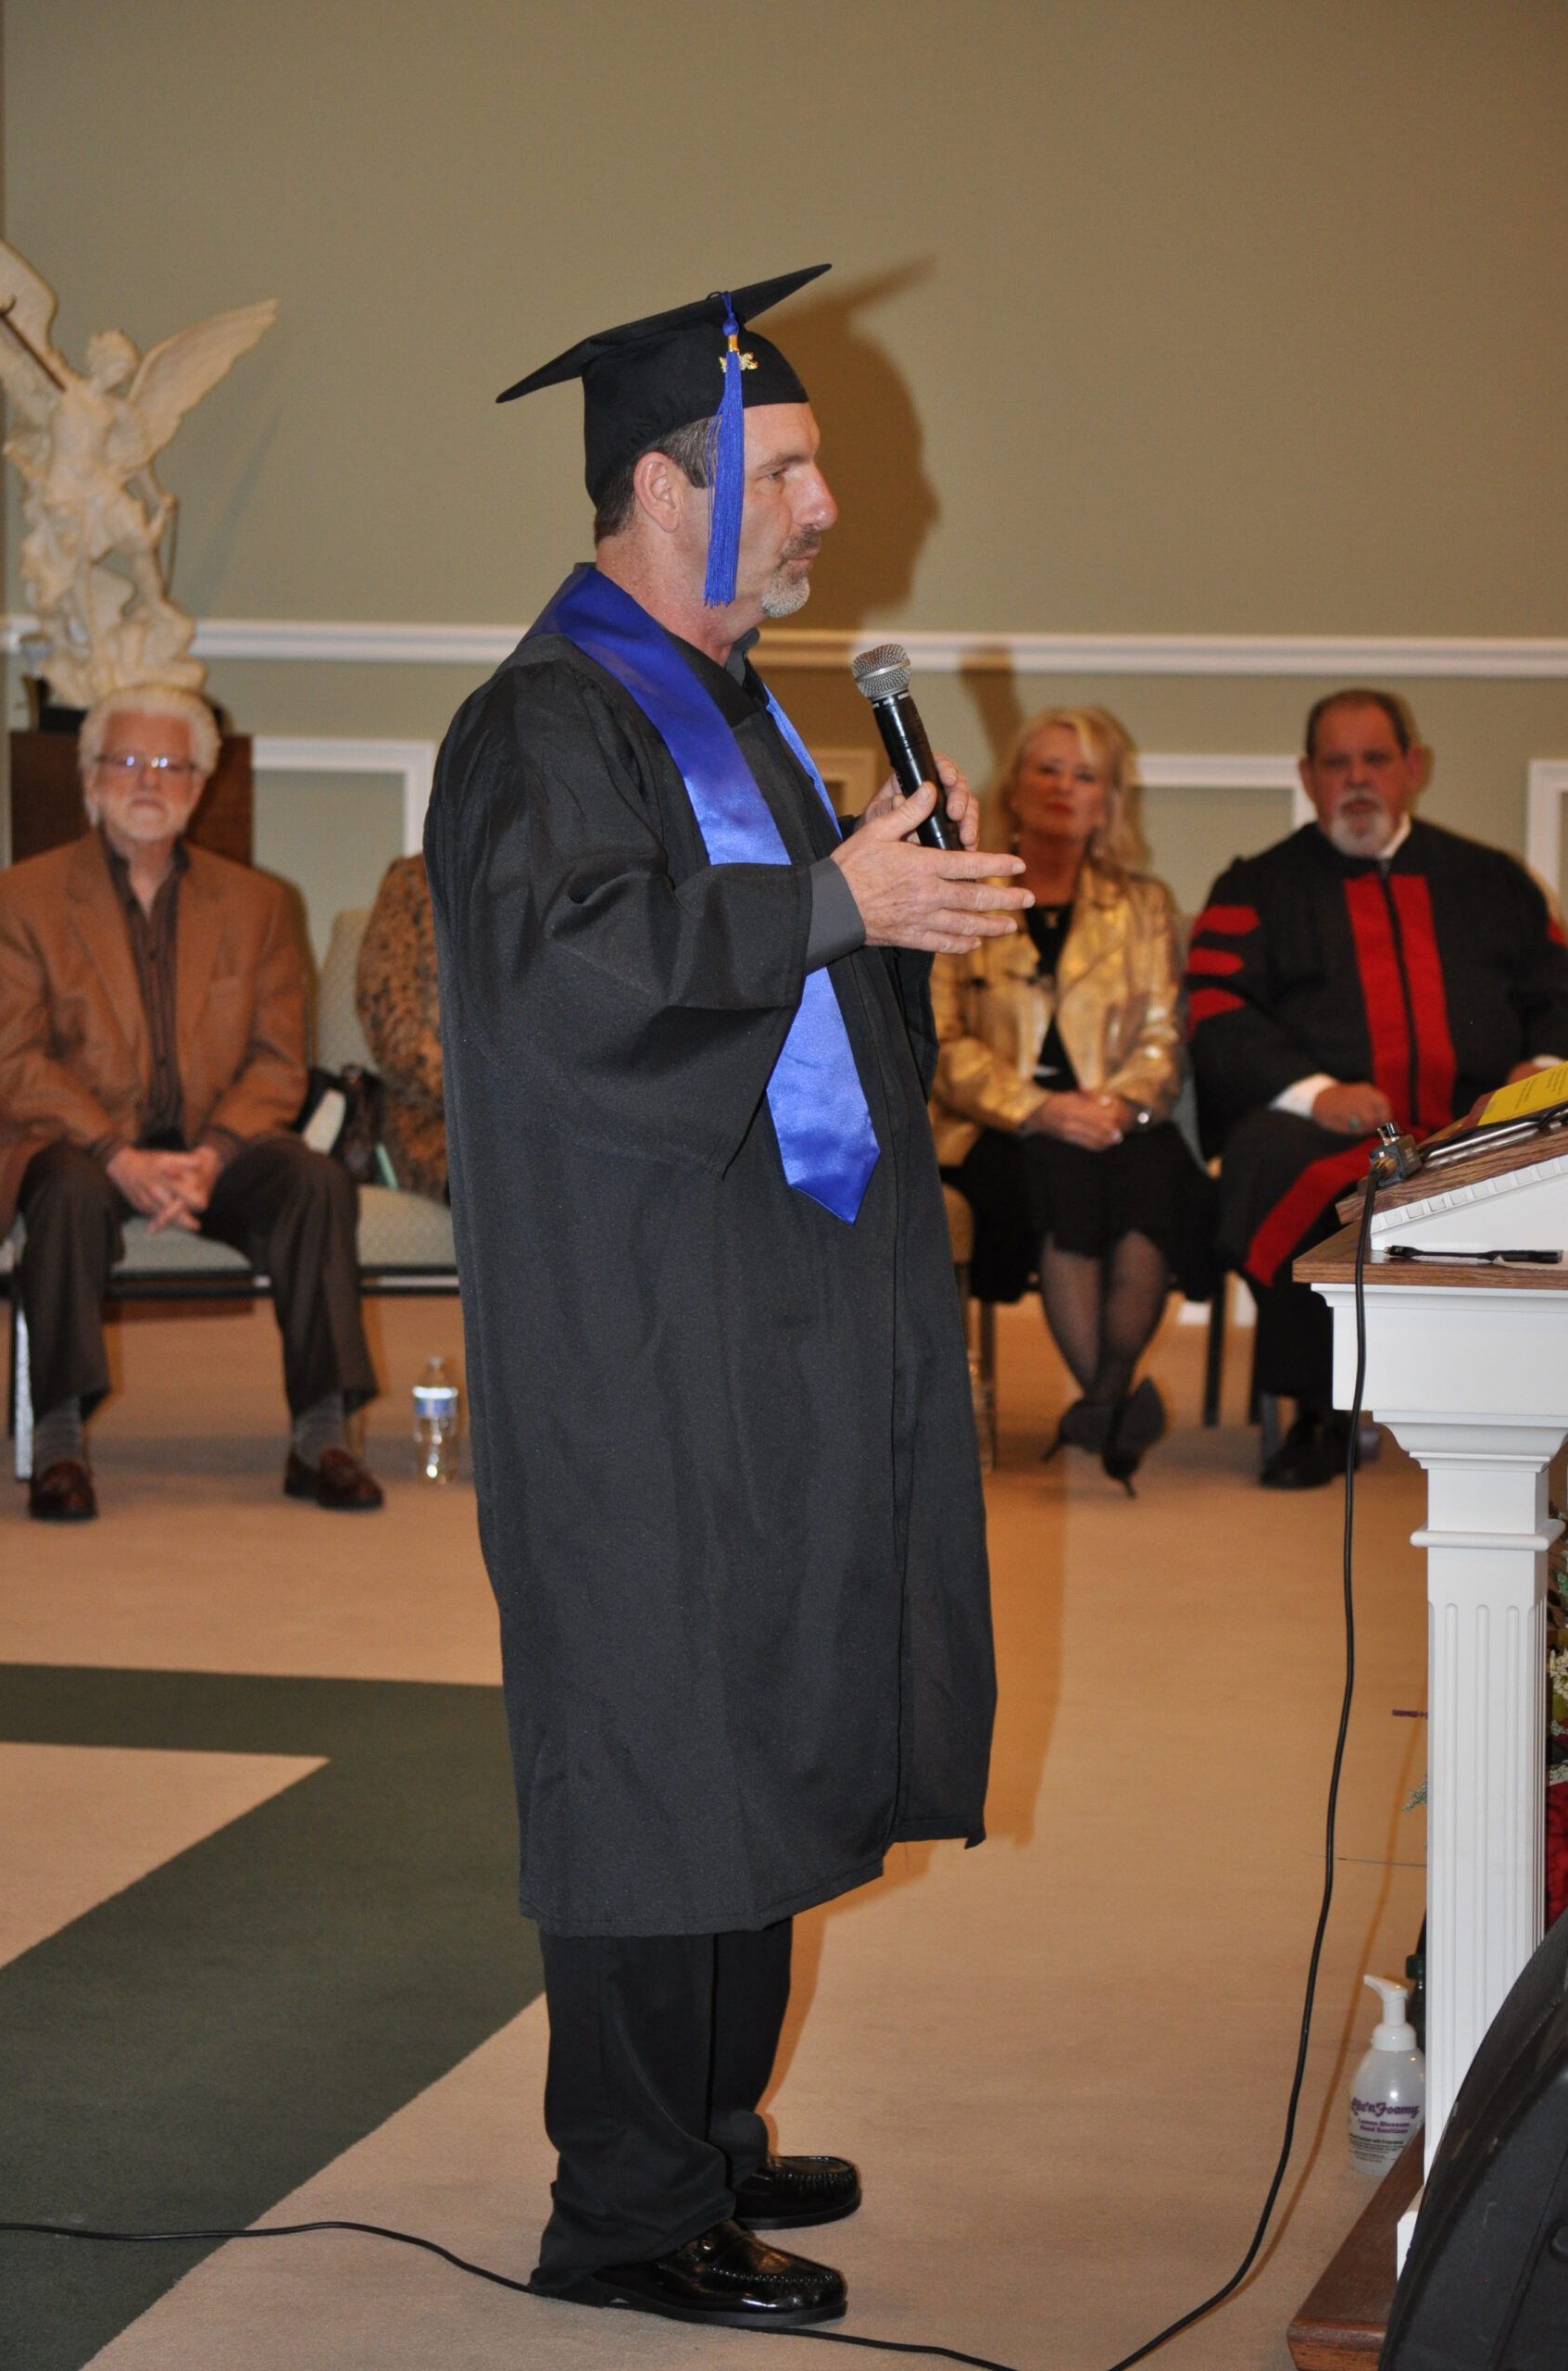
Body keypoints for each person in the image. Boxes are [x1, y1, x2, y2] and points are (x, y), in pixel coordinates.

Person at [425, 265, 1025, 2334]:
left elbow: (769, 977)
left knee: (767, 1700)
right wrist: (826, 895)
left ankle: (711, 2123)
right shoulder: (543, 721)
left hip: (779, 1302)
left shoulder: (737, 703)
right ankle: (623, 2204)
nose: (827, 503)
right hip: (648, 1336)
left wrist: (881, 885)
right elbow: (570, 984)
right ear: (660, 485)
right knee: (660, 1740)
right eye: (784, 469)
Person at [0, 683, 383, 1520]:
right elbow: (13, 1058)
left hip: (217, 1149)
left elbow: (280, 1063)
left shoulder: (258, 905)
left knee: (314, 1183)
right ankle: (58, 1441)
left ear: (200, 787)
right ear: (88, 776)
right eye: (125, 761)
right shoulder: (20, 899)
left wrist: (212, 1156)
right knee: (61, 1187)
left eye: (171, 764)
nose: (147, 781)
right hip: (85, 1148)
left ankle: (320, 1437)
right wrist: (116, 1154)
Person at [1187, 686, 1568, 1487]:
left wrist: (1532, 1078)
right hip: (1326, 1128)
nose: (1356, 779)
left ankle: (1521, 1396)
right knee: (1287, 1165)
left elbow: (1557, 993)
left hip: (1479, 1123)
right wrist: (1312, 1090)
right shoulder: (1257, 886)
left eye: (1375, 759)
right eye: (1336, 762)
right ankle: (1319, 1415)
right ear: (1306, 774)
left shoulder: (1493, 881)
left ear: (1412, 767)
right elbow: (1217, 1010)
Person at [933, 706, 1211, 1489]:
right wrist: (1039, 1109)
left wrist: (1119, 1108)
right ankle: (1115, 1404)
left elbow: (1164, 1036)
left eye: (1084, 775)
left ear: (1108, 802)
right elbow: (943, 1045)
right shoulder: (962, 888)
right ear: (1015, 787)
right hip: (1001, 1126)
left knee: (1155, 1178)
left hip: (1120, 1116)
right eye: (1047, 768)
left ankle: (1099, 1401)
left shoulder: (1144, 904)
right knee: (1058, 1173)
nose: (1063, 787)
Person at [356, 852, 446, 1200]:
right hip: (431, 1119)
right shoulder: (414, 881)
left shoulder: (560, 880)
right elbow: (390, 1024)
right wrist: (491, 1095)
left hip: (552, 1117)